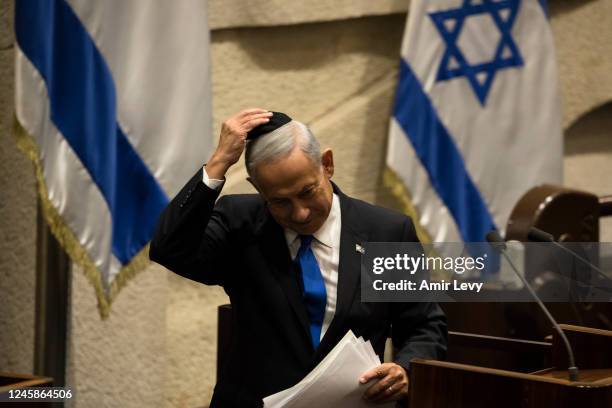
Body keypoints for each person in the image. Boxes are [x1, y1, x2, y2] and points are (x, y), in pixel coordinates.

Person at [149, 108, 447, 407]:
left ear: (327, 165)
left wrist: (404, 370)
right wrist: (219, 162)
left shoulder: (385, 232)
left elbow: (423, 326)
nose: (300, 213)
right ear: (258, 188)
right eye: (279, 202)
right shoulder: (239, 223)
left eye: (307, 192)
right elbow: (169, 248)